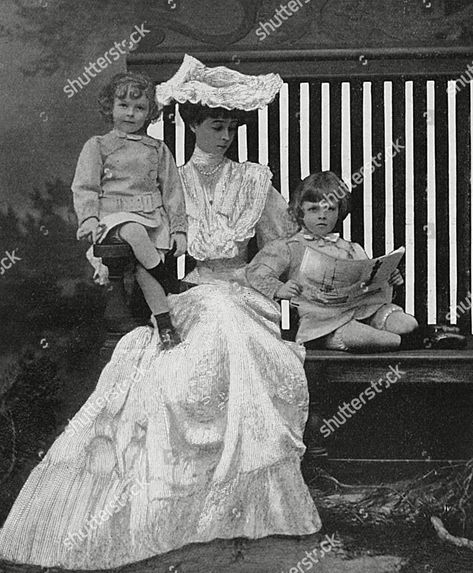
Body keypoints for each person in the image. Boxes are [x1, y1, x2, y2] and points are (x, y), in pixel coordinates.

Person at [0, 55, 321, 570]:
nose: (226, 136)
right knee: (169, 361)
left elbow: (280, 248)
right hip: (187, 289)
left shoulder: (254, 180)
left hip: (246, 289)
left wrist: (285, 284)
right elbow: (114, 218)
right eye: (217, 127)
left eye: (233, 128)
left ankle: (243, 500)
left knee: (229, 325)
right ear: (193, 125)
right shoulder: (169, 175)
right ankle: (168, 503)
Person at [72, 71, 187, 348]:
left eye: (139, 108)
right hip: (113, 220)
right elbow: (85, 186)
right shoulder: (98, 146)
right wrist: (88, 218)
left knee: (144, 274)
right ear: (109, 107)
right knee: (133, 230)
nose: (131, 113)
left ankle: (165, 325)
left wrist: (179, 229)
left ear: (149, 113)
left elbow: (172, 191)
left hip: (152, 219)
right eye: (123, 105)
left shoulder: (157, 149)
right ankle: (169, 280)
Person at [247, 170, 420, 352]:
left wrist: (388, 279)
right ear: (300, 211)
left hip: (363, 310)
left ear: (339, 211)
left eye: (330, 208)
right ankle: (406, 343)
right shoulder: (289, 246)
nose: (323, 215)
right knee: (365, 337)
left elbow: (370, 283)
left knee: (407, 323)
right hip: (322, 321)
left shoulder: (350, 248)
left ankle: (398, 337)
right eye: (314, 209)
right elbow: (256, 272)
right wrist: (279, 289)